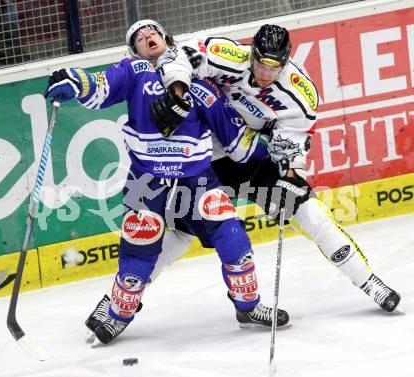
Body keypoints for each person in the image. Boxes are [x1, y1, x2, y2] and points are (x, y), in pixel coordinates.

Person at [44, 20, 289, 345]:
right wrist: (74, 82)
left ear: (166, 38)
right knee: (138, 251)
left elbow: (235, 140)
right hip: (147, 180)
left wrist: (270, 146)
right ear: (134, 50)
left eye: (153, 33)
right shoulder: (133, 71)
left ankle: (248, 306)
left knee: (232, 236)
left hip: (197, 179)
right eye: (139, 37)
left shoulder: (196, 77)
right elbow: (99, 85)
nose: (148, 37)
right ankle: (118, 314)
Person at [148, 22, 401, 313]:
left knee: (312, 214)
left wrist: (291, 173)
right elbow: (180, 54)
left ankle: (368, 281)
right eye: (260, 63)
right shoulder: (228, 54)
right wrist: (177, 90)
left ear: (286, 61)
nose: (265, 73)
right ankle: (122, 300)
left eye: (274, 66)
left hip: (255, 159)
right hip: (207, 155)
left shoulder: (300, 91)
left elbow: (293, 137)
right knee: (180, 229)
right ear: (252, 53)